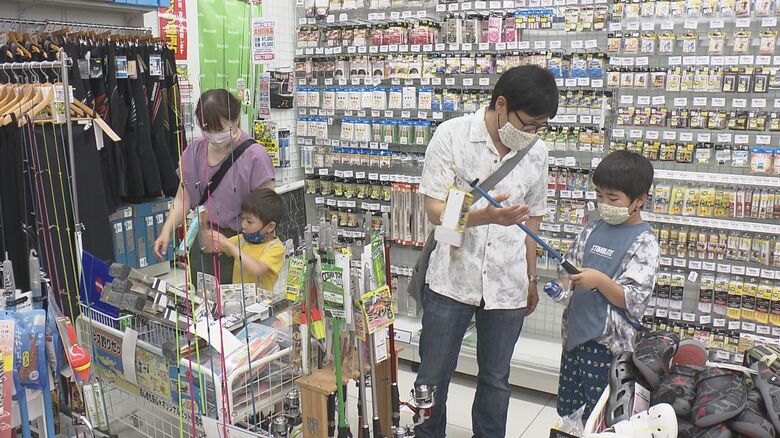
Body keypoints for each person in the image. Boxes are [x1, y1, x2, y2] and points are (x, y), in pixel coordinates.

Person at [415, 65, 557, 438]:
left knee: (495, 379)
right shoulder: (452, 135)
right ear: (501, 104)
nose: (531, 134)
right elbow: (436, 212)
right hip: (452, 278)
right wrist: (486, 217)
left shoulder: (536, 152)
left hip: (508, 282)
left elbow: (533, 221)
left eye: (540, 127)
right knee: (432, 375)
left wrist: (531, 278)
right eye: (527, 124)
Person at [554, 150, 660, 419]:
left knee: (603, 416)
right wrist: (563, 285)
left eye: (613, 198)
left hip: (608, 349)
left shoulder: (644, 242)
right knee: (569, 412)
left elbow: (633, 298)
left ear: (640, 200)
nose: (604, 204)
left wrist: (599, 281)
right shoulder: (592, 229)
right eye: (599, 195)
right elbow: (569, 267)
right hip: (574, 338)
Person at [152, 89, 275, 284]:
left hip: (243, 245)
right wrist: (166, 230)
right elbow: (183, 198)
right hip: (204, 243)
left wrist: (232, 245)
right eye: (207, 130)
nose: (214, 136)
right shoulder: (195, 151)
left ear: (236, 118)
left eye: (219, 129)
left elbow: (268, 211)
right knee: (203, 298)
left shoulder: (255, 157)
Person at [200, 188, 286, 292]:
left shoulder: (276, 248)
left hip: (261, 301)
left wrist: (229, 245)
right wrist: (203, 225)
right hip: (238, 299)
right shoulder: (241, 240)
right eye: (242, 219)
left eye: (249, 222)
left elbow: (256, 269)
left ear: (270, 226)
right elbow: (209, 247)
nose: (243, 225)